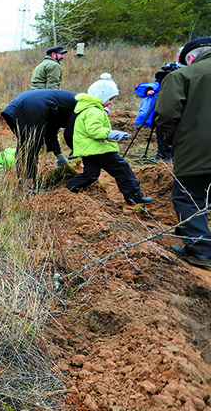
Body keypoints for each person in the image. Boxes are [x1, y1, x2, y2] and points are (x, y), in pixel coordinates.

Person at [154, 37, 211, 268]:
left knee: (187, 197)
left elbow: (166, 115)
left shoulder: (182, 76)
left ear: (190, 57)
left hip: (197, 152)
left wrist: (174, 142)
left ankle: (201, 251)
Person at [66, 73, 153, 205]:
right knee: (122, 169)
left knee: (91, 175)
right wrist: (115, 134)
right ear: (101, 97)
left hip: (89, 149)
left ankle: (69, 190)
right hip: (98, 149)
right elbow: (94, 131)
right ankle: (134, 196)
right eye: (110, 99)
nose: (111, 102)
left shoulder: (88, 109)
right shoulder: (94, 111)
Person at [0, 89, 77, 188]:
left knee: (25, 145)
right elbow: (69, 133)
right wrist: (76, 149)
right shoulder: (78, 106)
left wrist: (59, 155)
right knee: (32, 146)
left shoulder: (65, 106)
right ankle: (31, 185)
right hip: (32, 107)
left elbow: (50, 131)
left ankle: (24, 182)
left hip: (21, 103)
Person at [133, 62, 181, 161]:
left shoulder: (180, 84)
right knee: (161, 133)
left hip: (175, 113)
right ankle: (163, 154)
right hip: (161, 113)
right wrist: (148, 90)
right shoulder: (158, 85)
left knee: (173, 134)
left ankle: (171, 155)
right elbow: (142, 88)